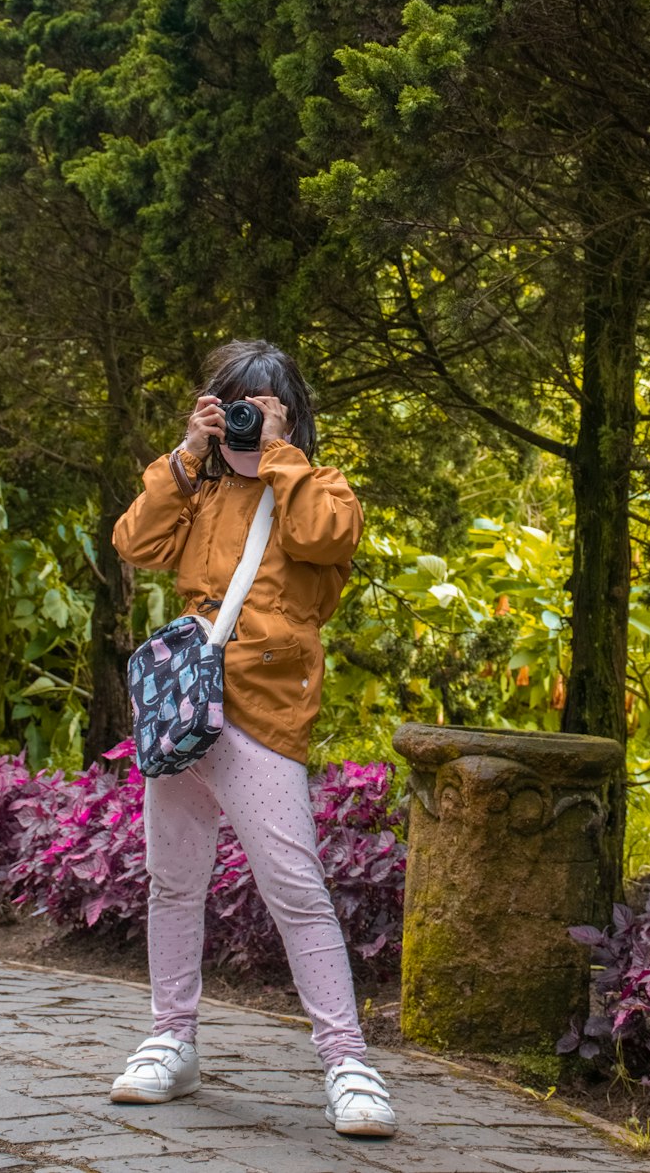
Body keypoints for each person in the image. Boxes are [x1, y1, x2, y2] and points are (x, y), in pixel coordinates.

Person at [108, 339, 396, 1137]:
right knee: (173, 882)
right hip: (182, 708)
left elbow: (328, 539)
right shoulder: (196, 489)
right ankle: (171, 1039)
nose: (241, 422)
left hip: (262, 710)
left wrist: (278, 454)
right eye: (231, 405)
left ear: (293, 416)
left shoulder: (317, 486)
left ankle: (347, 1061)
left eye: (259, 408)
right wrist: (188, 452)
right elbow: (135, 543)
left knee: (295, 890)